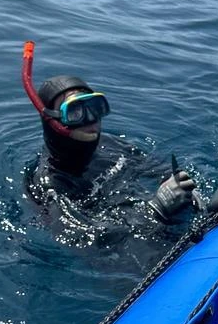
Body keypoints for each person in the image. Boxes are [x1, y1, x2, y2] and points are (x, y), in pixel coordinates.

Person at [22, 49, 201, 234]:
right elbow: (83, 240)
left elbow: (154, 168)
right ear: (53, 122)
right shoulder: (46, 184)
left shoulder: (110, 144)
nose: (91, 120)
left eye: (94, 108)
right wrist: (155, 211)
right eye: (75, 112)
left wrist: (184, 188)